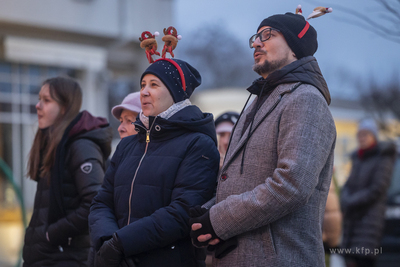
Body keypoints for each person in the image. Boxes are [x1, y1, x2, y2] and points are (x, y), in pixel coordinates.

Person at [189, 11, 337, 266]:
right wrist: (207, 214)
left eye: (268, 35)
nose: (257, 42)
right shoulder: (259, 101)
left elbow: (291, 185)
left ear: (295, 47)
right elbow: (241, 181)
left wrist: (219, 220)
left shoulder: (306, 99)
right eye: (256, 36)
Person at [89, 58, 220, 267]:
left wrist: (121, 244)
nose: (144, 92)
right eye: (143, 85)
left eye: (154, 84)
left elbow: (182, 212)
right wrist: (107, 242)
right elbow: (102, 201)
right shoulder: (127, 145)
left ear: (175, 93)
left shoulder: (198, 144)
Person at [23, 77, 112, 267]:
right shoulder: (53, 144)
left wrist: (52, 234)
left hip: (66, 257)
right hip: (46, 256)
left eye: (46, 100)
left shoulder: (80, 146)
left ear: (65, 107)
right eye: (39, 99)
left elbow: (95, 202)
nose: (38, 106)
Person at [340, 119, 396, 267]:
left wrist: (351, 201)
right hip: (352, 220)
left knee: (363, 259)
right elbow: (348, 184)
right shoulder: (357, 158)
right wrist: (344, 198)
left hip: (369, 219)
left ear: (374, 136)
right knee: (350, 259)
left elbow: (377, 188)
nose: (361, 138)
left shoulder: (383, 157)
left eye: (365, 134)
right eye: (359, 134)